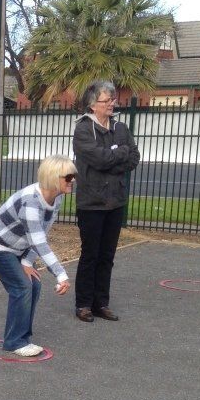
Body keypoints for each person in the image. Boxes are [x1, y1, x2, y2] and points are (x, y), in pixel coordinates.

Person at [0, 155, 75, 356]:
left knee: (34, 283)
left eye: (73, 176)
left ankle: (22, 337)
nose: (73, 180)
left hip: (18, 246)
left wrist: (27, 261)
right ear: (52, 177)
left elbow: (42, 232)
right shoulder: (30, 202)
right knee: (22, 286)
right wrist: (61, 274)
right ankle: (14, 342)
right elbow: (38, 241)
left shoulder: (55, 198)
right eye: (68, 177)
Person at [71, 80, 140, 322]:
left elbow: (134, 157)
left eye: (113, 99)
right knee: (90, 254)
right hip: (91, 202)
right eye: (106, 100)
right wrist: (117, 156)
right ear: (93, 104)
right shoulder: (83, 130)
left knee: (107, 255)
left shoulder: (120, 128)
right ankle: (83, 304)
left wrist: (114, 157)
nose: (112, 103)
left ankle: (102, 302)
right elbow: (97, 160)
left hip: (116, 201)